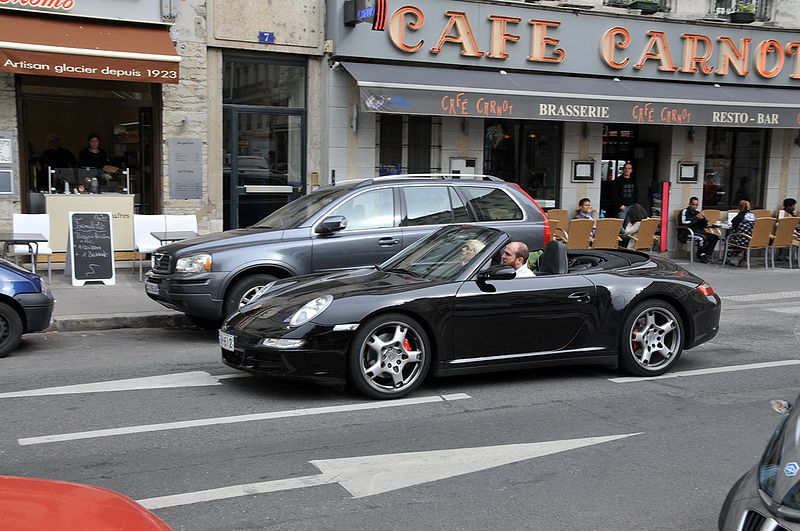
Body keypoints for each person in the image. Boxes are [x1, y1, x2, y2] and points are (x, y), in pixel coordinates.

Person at [678, 197, 718, 263]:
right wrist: (696, 218)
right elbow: (684, 223)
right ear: (689, 204)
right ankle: (700, 255)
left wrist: (703, 219)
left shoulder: (697, 212)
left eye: (696, 205)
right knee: (702, 238)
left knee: (714, 237)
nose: (695, 206)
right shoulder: (685, 211)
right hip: (687, 232)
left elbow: (704, 225)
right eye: (693, 204)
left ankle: (706, 254)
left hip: (698, 231)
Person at [727, 200, 757, 266]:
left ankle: (727, 257)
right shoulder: (753, 216)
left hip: (741, 240)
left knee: (728, 238)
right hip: (753, 240)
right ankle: (742, 253)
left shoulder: (739, 217)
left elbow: (734, 226)